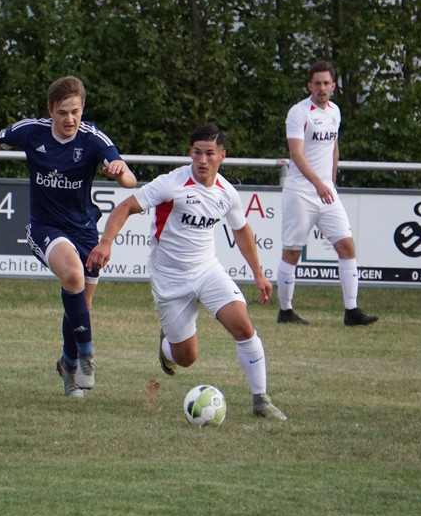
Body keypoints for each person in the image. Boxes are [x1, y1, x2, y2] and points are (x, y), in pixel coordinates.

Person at [0, 76, 137, 398]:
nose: (70, 119)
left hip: (83, 231)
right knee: (72, 273)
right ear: (50, 110)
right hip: (45, 228)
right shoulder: (32, 131)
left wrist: (120, 170)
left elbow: (129, 181)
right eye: (63, 112)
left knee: (81, 306)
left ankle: (66, 364)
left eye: (76, 112)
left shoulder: (92, 138)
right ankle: (86, 358)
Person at [87, 123, 288, 420]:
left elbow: (242, 230)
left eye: (209, 153)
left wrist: (259, 274)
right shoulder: (171, 184)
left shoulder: (226, 193)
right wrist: (106, 242)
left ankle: (261, 400)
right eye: (197, 153)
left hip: (207, 271)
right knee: (186, 357)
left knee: (244, 327)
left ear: (222, 155)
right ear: (190, 153)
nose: (202, 160)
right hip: (169, 278)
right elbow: (125, 207)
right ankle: (166, 346)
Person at [276, 60, 377, 326]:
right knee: (292, 252)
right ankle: (285, 311)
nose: (322, 88)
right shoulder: (299, 113)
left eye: (326, 83)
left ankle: (351, 311)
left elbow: (333, 146)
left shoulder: (335, 111)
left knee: (346, 246)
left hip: (326, 192)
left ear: (333, 85)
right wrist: (318, 184)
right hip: (301, 192)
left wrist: (330, 181)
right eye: (317, 83)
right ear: (309, 85)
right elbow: (296, 154)